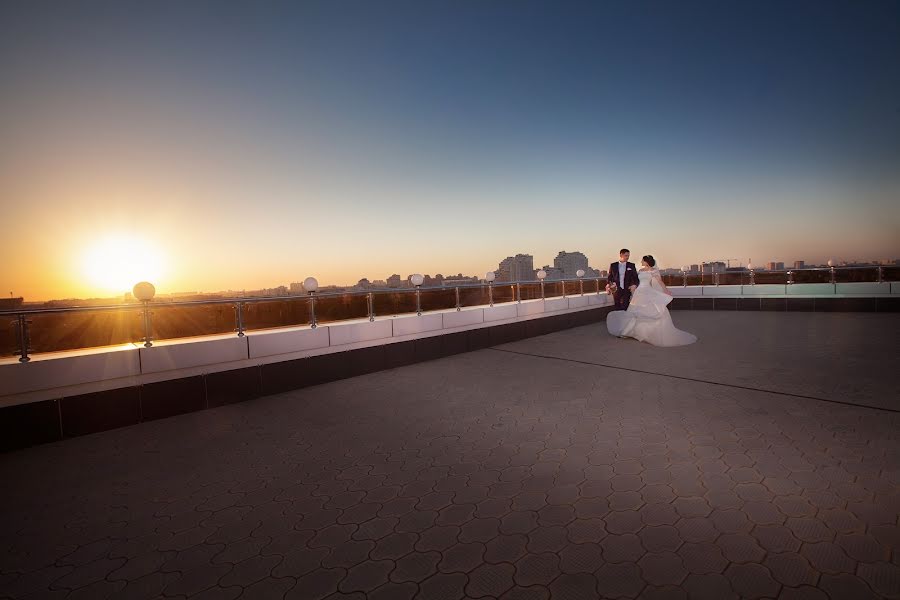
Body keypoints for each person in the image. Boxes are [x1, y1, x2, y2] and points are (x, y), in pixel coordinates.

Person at [607, 254, 697, 347]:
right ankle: (631, 331)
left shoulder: (653, 271)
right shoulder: (640, 270)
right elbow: (636, 281)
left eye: (642, 260)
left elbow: (660, 282)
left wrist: (666, 291)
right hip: (639, 292)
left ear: (646, 261)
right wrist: (633, 286)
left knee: (647, 311)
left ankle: (646, 333)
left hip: (647, 291)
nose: (641, 262)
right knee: (634, 311)